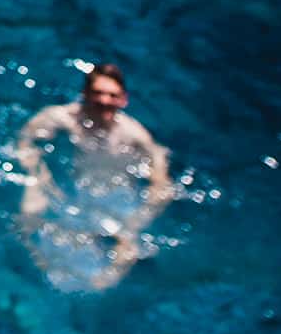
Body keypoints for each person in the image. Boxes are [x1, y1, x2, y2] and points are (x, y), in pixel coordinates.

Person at [11, 63, 176, 292]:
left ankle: (99, 288)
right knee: (26, 219)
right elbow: (26, 142)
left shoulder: (133, 133)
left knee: (128, 246)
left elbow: (160, 173)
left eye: (112, 95)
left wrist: (146, 209)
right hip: (70, 181)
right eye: (98, 93)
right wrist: (40, 176)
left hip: (115, 187)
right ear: (85, 95)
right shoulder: (60, 118)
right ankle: (38, 274)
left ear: (123, 100)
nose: (104, 100)